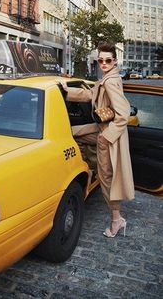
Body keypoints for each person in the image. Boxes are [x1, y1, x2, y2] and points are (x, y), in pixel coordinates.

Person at [61, 42, 135, 238]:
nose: (103, 63)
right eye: (100, 60)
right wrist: (66, 90)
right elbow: (88, 94)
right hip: (101, 128)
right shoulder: (106, 78)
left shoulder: (110, 82)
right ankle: (87, 161)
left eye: (107, 60)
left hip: (110, 135)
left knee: (107, 178)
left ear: (115, 61)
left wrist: (105, 139)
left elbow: (124, 114)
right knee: (71, 132)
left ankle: (116, 220)